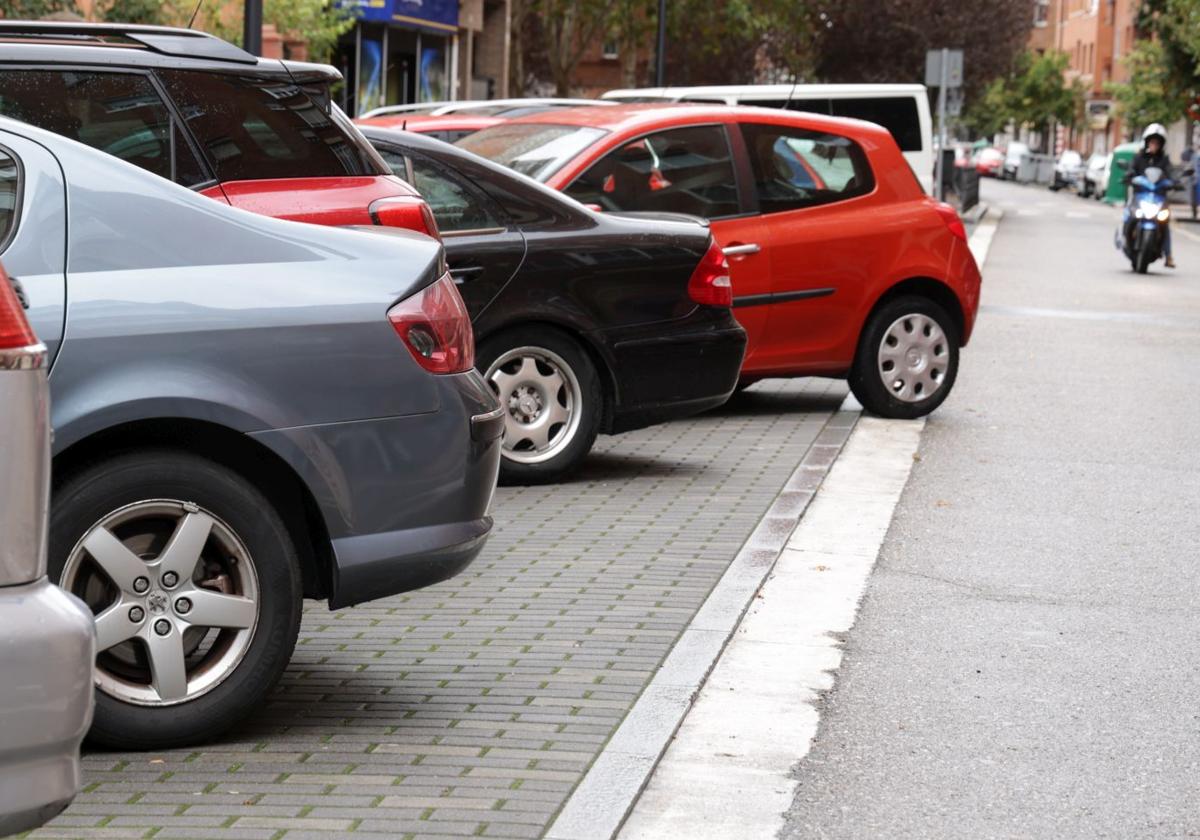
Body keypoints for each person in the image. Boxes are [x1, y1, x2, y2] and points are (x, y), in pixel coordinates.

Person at [1125, 123, 1175, 267]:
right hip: (1141, 196)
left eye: (1157, 143)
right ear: (1147, 142)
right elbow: (1131, 170)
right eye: (1152, 142)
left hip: (1158, 198)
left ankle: (1169, 255)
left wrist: (1174, 182)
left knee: (1164, 223)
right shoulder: (1139, 158)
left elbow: (1170, 173)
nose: (1154, 145)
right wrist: (1129, 176)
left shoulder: (1164, 160)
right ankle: (1126, 239)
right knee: (1131, 217)